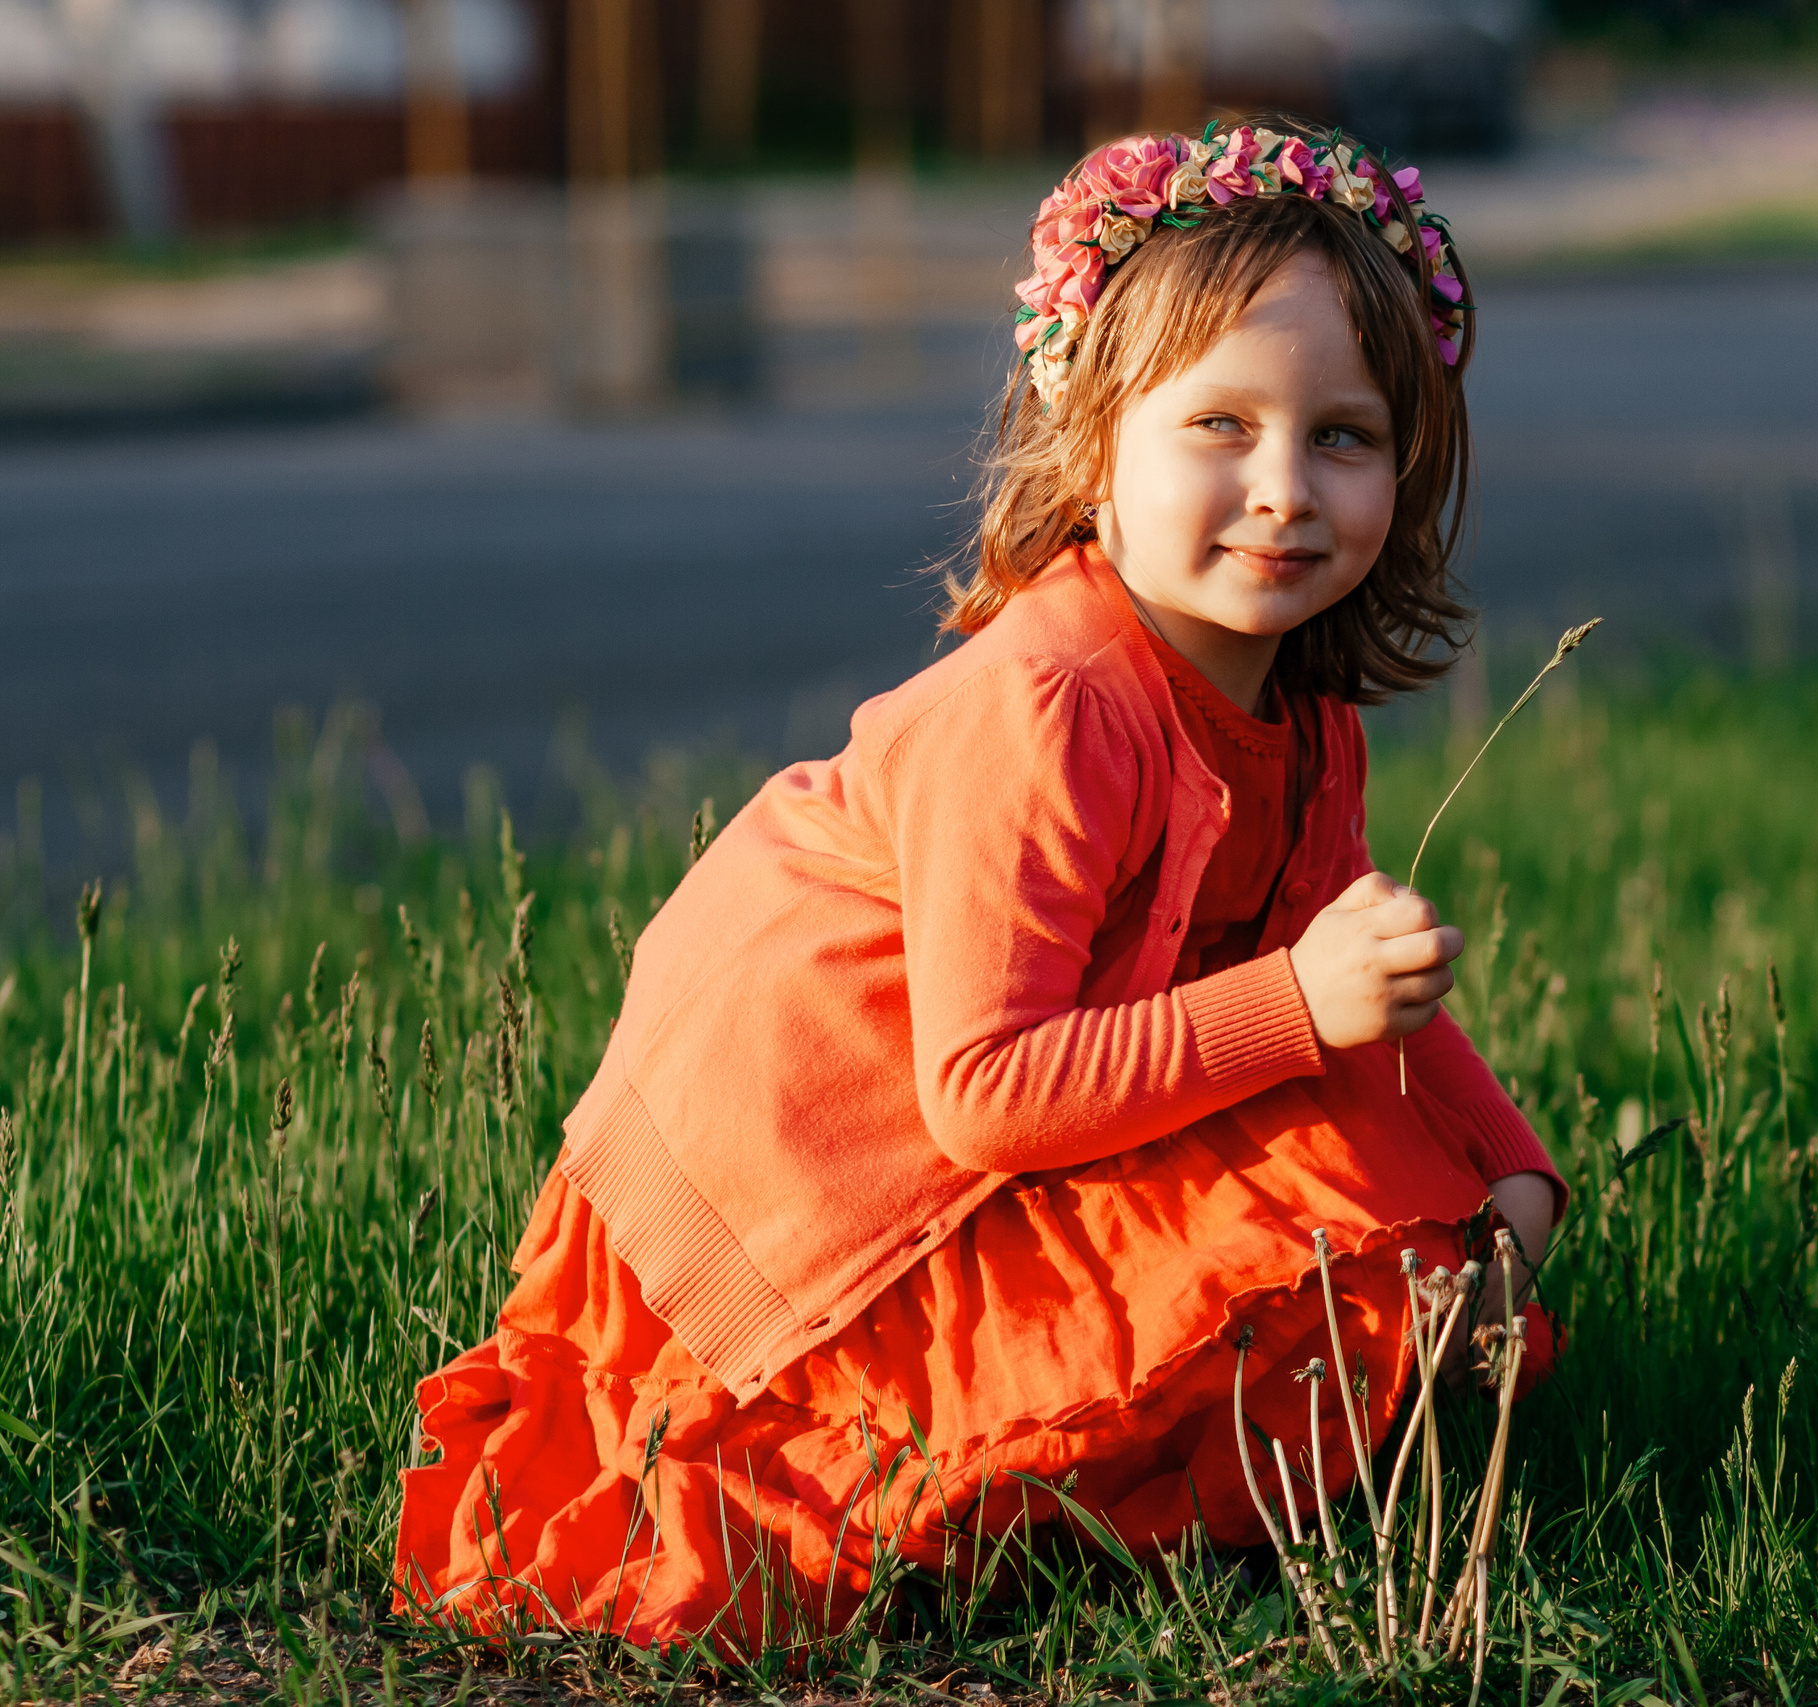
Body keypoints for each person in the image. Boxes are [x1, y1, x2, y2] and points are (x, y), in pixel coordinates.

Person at [396, 116, 1566, 1651]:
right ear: (1092, 439)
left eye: (1341, 436)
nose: (1283, 487)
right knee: (1321, 1172)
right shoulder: (1056, 705)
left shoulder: (1303, 713)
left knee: (1374, 1158)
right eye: (1220, 425)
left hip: (1004, 1105)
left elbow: (1371, 993)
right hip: (824, 1170)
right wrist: (1295, 1006)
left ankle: (1128, 1479)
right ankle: (995, 1476)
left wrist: (1515, 1175)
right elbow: (990, 1093)